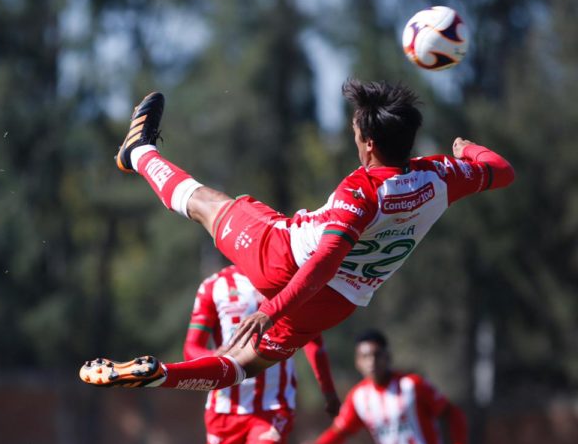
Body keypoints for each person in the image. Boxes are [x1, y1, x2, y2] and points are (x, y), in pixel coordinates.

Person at [79, 79, 515, 391]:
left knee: (205, 206)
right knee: (243, 365)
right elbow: (503, 171)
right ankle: (164, 376)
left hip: (284, 259)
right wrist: (467, 150)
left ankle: (137, 152)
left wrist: (270, 309)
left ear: (367, 145)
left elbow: (323, 260)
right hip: (341, 301)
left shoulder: (362, 191)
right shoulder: (443, 176)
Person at [185, 264, 340, 444]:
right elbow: (191, 348)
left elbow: (311, 338)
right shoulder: (213, 286)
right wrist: (215, 355)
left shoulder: (287, 280)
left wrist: (328, 389)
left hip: (273, 406)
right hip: (224, 408)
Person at [297, 329, 467, 444]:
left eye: (377, 355)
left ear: (388, 357)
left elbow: (455, 415)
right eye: (365, 356)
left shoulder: (411, 385)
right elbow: (340, 432)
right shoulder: (359, 398)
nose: (372, 362)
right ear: (357, 362)